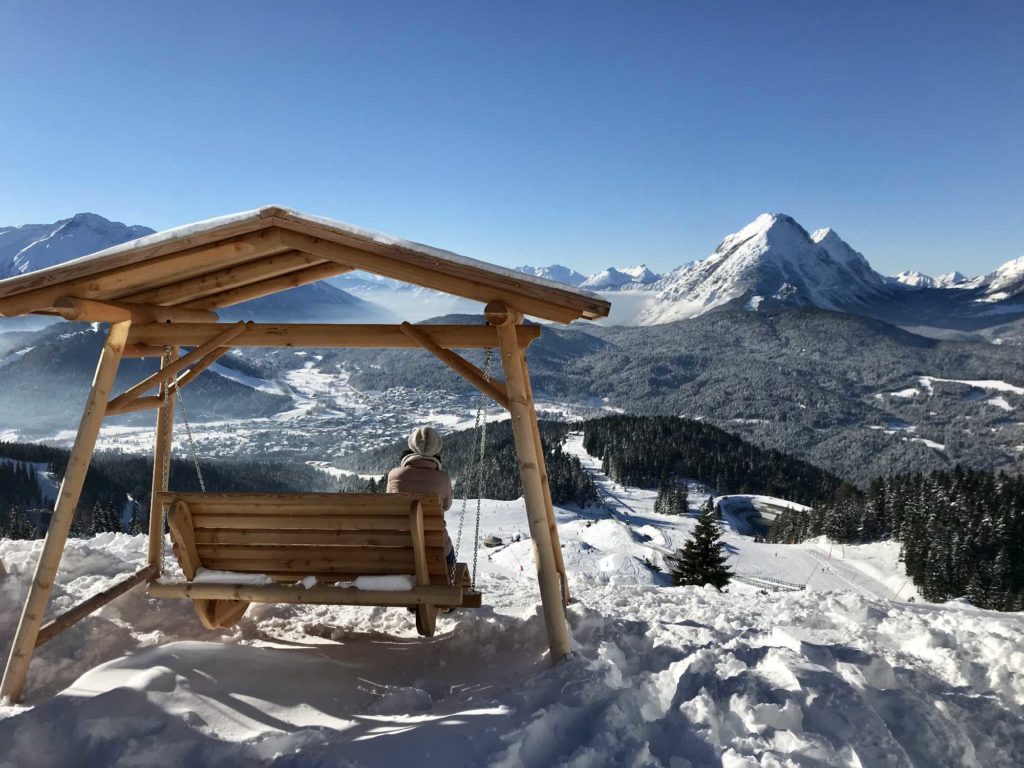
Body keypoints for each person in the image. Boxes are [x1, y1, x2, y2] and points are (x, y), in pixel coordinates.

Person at [386, 426, 456, 572]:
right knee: (451, 563)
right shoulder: (443, 479)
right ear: (437, 449)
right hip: (437, 548)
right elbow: (446, 505)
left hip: (399, 547)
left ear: (411, 446)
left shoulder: (394, 476)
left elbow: (389, 504)